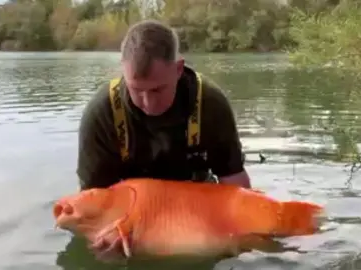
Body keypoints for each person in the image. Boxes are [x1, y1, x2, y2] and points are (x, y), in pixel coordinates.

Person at [75, 19, 252, 262]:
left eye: (157, 90)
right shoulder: (101, 114)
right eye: (137, 90)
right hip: (134, 217)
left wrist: (241, 236)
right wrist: (103, 240)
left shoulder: (210, 103)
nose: (147, 103)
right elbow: (94, 199)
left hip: (196, 209)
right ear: (123, 70)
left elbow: (235, 181)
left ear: (178, 69)